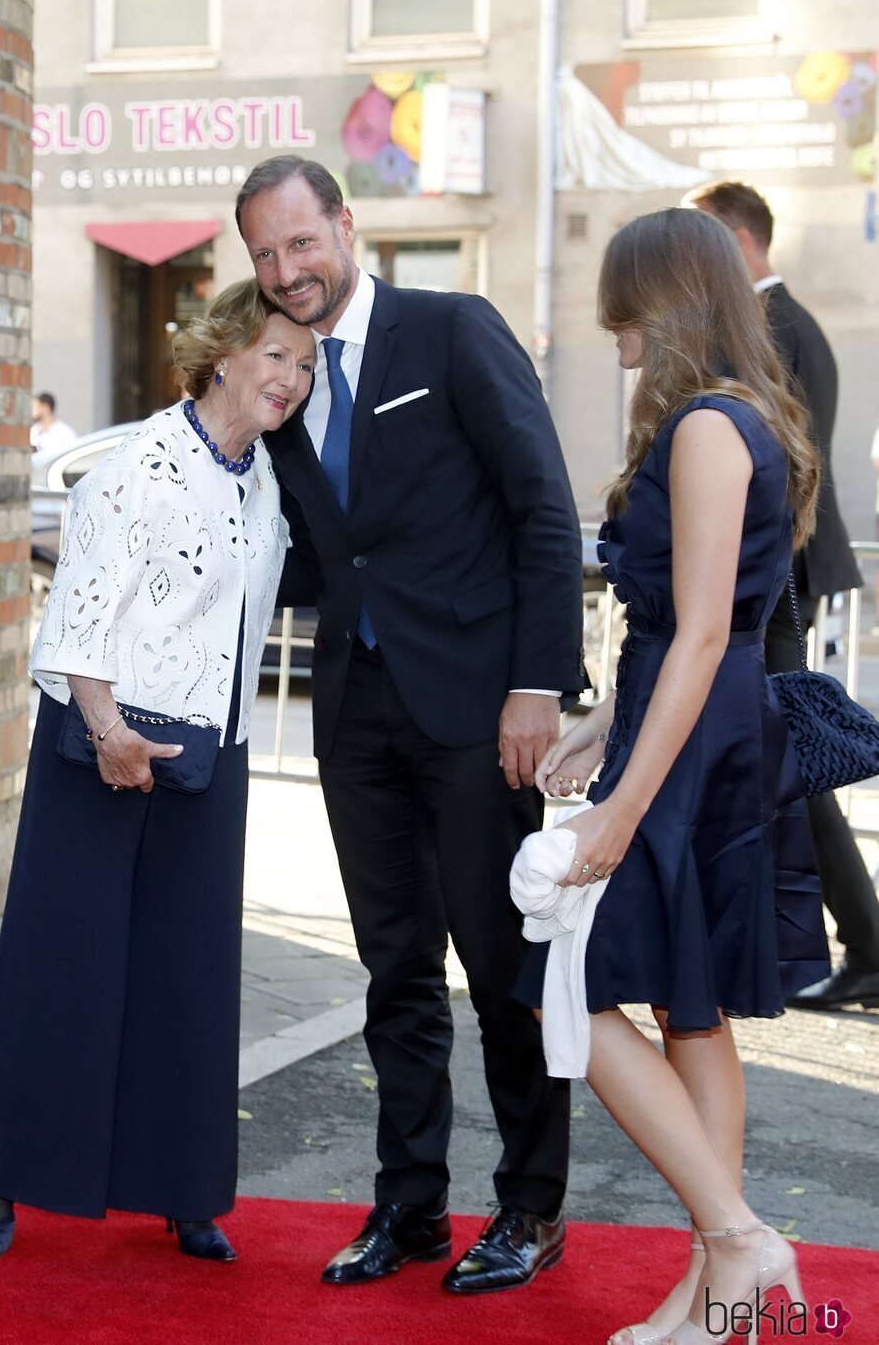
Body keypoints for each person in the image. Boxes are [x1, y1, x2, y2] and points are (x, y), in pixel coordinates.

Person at [236, 156, 587, 1293]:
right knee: (393, 968)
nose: (287, 272)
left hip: (480, 712)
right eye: (264, 256)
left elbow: (542, 504)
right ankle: (410, 1204)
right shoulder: (283, 382)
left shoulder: (449, 331)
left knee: (500, 969)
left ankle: (530, 1210)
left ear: (345, 225)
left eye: (300, 243)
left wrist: (539, 682)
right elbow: (310, 550)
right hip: (353, 709)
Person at [0, 280, 315, 1261]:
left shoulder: (264, 478)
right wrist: (109, 730)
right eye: (273, 355)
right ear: (224, 355)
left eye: (304, 363)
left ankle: (179, 1186)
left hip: (214, 749)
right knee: (62, 967)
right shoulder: (140, 464)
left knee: (188, 978)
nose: (289, 377)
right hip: (102, 742)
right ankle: (2, 1181)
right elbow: (79, 608)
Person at [529, 207, 824, 1344]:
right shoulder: (740, 418)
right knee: (688, 1010)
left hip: (694, 746)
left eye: (623, 310)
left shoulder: (705, 426)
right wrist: (604, 721)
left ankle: (741, 1239)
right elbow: (690, 630)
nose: (613, 333)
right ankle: (718, 1295)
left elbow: (700, 632)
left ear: (669, 302)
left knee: (577, 988)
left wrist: (619, 805)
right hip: (695, 727)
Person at [688, 180, 879, 1013]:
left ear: (736, 240)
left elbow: (779, 469)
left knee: (790, 763)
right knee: (779, 762)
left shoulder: (772, 328)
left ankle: (865, 944)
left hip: (773, 583)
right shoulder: (787, 322)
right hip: (778, 578)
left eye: (699, 245)